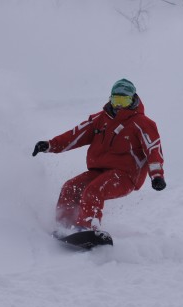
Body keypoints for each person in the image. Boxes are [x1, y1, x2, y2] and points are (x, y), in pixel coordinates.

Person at [32, 78, 166, 236]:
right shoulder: (100, 119)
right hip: (98, 171)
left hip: (125, 175)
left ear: (133, 100)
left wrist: (157, 176)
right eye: (116, 99)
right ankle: (65, 227)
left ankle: (88, 229)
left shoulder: (142, 123)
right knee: (70, 187)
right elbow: (75, 135)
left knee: (94, 190)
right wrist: (50, 145)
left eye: (124, 100)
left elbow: (153, 150)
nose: (118, 105)